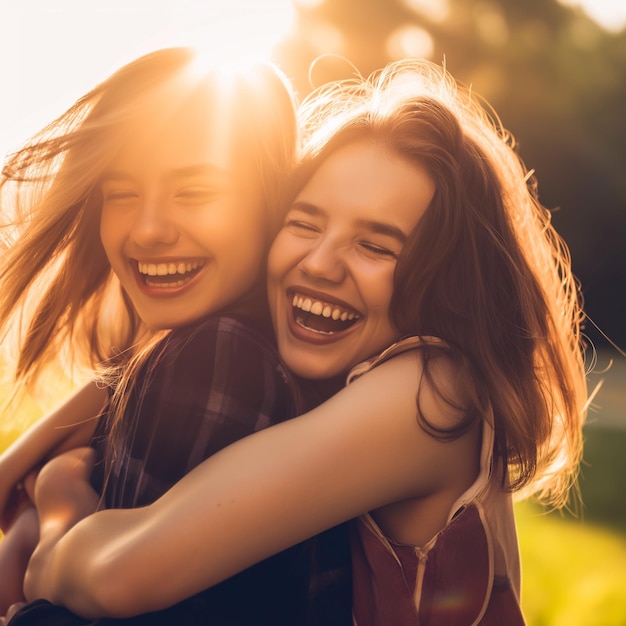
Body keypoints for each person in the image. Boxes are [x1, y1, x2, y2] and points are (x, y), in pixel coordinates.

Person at [16, 58, 587, 625]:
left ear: (449, 284)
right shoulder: (359, 366)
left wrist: (58, 508)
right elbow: (141, 362)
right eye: (305, 224)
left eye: (377, 247)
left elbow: (121, 576)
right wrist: (26, 453)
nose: (318, 265)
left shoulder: (433, 392)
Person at [0, 47, 352, 624]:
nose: (148, 229)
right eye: (122, 194)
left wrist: (58, 499)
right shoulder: (210, 345)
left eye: (194, 192)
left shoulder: (221, 355)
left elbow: (97, 604)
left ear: (271, 205)